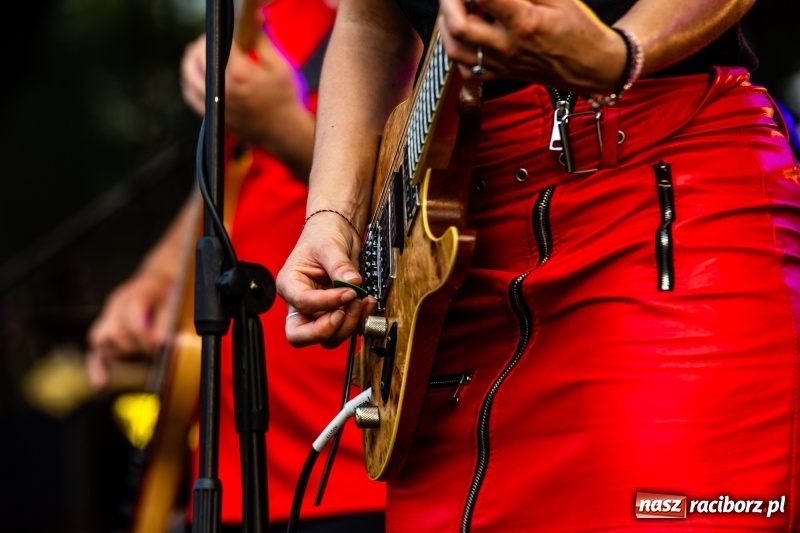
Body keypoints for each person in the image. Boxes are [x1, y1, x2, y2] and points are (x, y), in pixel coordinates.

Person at [275, 0, 800, 530]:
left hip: (662, 201)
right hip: (453, 261)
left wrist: (620, 52)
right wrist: (331, 216)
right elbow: (370, 20)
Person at [85, 0, 386, 531]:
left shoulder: (403, 22)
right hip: (227, 470)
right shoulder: (265, 15)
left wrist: (282, 125)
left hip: (352, 462)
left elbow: (408, 200)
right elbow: (228, 173)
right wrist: (156, 279)